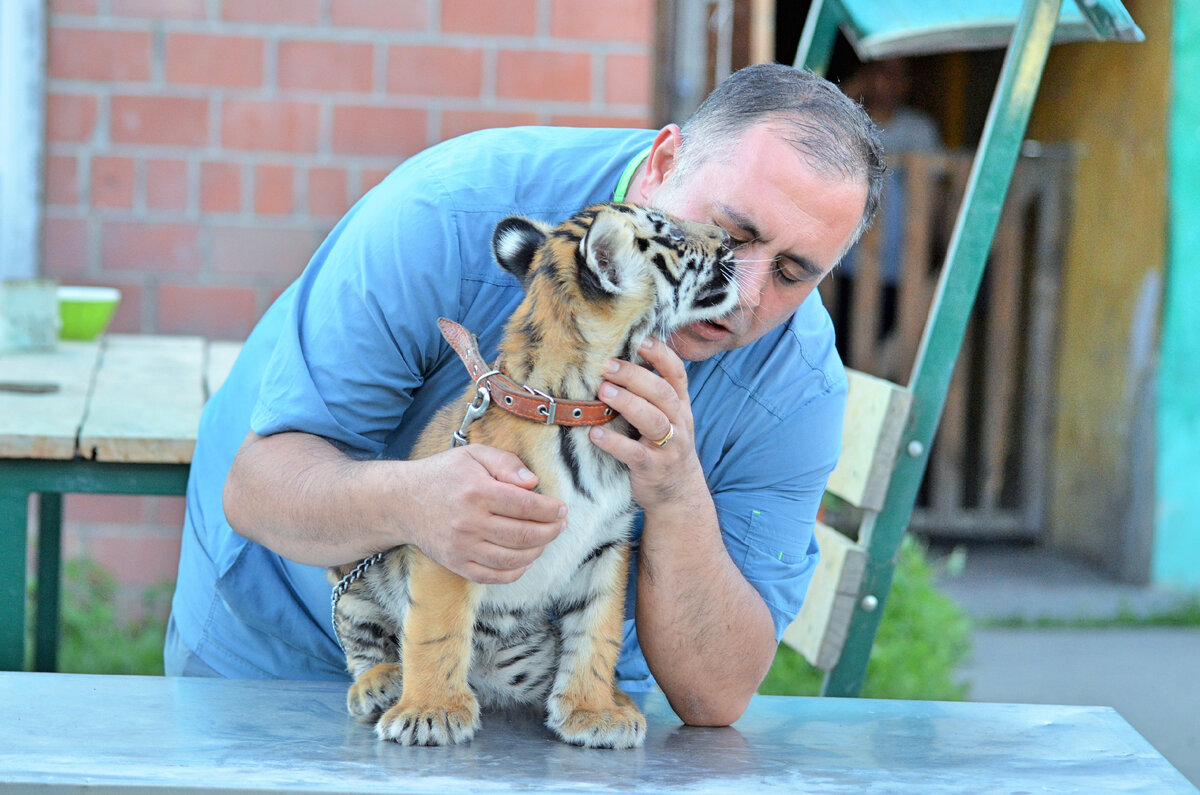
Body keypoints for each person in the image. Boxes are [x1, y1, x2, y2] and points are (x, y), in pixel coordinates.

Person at [165, 62, 885, 727]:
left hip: (538, 704)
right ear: (664, 163)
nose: (744, 295)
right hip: (289, 654)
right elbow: (258, 488)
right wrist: (414, 503)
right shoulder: (446, 213)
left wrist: (676, 492)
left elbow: (716, 692)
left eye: (793, 272)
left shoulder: (798, 385)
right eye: (731, 234)